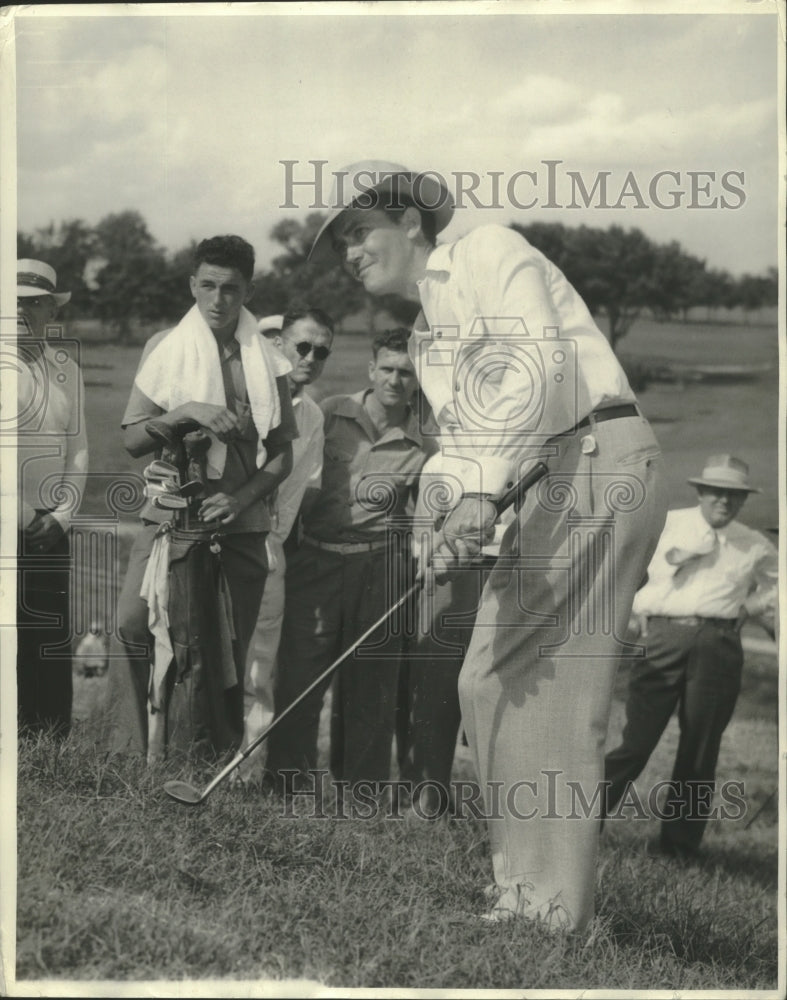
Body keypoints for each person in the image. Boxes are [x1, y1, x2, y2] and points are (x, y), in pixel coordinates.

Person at [309, 161, 668, 932]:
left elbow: (537, 363)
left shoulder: (485, 251)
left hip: (596, 460)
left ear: (410, 223)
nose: (350, 252)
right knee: (484, 682)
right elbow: (465, 448)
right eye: (340, 243)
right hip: (552, 476)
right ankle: (526, 891)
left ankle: (547, 909)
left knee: (543, 691)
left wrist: (480, 496)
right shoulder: (428, 335)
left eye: (360, 232)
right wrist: (443, 523)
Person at [109, 235, 297, 758]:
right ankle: (126, 758)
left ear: (249, 291)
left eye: (231, 289)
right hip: (169, 516)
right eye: (208, 286)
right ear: (192, 284)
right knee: (132, 625)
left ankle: (204, 769)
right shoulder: (165, 346)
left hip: (238, 524)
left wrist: (240, 499)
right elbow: (132, 439)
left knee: (223, 653)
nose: (218, 300)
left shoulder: (269, 361)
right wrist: (186, 410)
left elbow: (282, 453)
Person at [265, 328, 434, 798]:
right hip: (315, 561)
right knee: (299, 680)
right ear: (371, 369)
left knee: (371, 688)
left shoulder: (423, 443)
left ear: (418, 380)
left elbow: (425, 516)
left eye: (406, 373)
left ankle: (363, 798)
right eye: (388, 369)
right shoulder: (330, 413)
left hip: (379, 569)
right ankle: (286, 787)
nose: (395, 381)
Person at [604, 454, 778, 858]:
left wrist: (753, 606)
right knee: (637, 742)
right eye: (716, 491)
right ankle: (581, 826)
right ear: (700, 491)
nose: (724, 500)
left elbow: (779, 583)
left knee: (700, 748)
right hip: (663, 637)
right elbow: (625, 564)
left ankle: (679, 847)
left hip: (719, 644)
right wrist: (633, 610)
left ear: (744, 499)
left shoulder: (753, 543)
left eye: (734, 494)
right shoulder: (668, 524)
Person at [239, 306, 333, 782]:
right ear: (277, 345)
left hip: (269, 550)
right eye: (303, 347)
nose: (311, 358)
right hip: (224, 543)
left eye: (322, 352)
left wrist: (274, 542)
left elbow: (303, 491)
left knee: (260, 672)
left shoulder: (312, 415)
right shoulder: (245, 395)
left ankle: (243, 779)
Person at [14, 259, 89, 738]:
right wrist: (24, 516)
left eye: (35, 303)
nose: (23, 312)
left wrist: (62, 516)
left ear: (51, 310)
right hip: (10, 522)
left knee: (49, 637)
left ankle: (50, 745)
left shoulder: (67, 369)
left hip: (51, 529)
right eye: (15, 302)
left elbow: (78, 448)